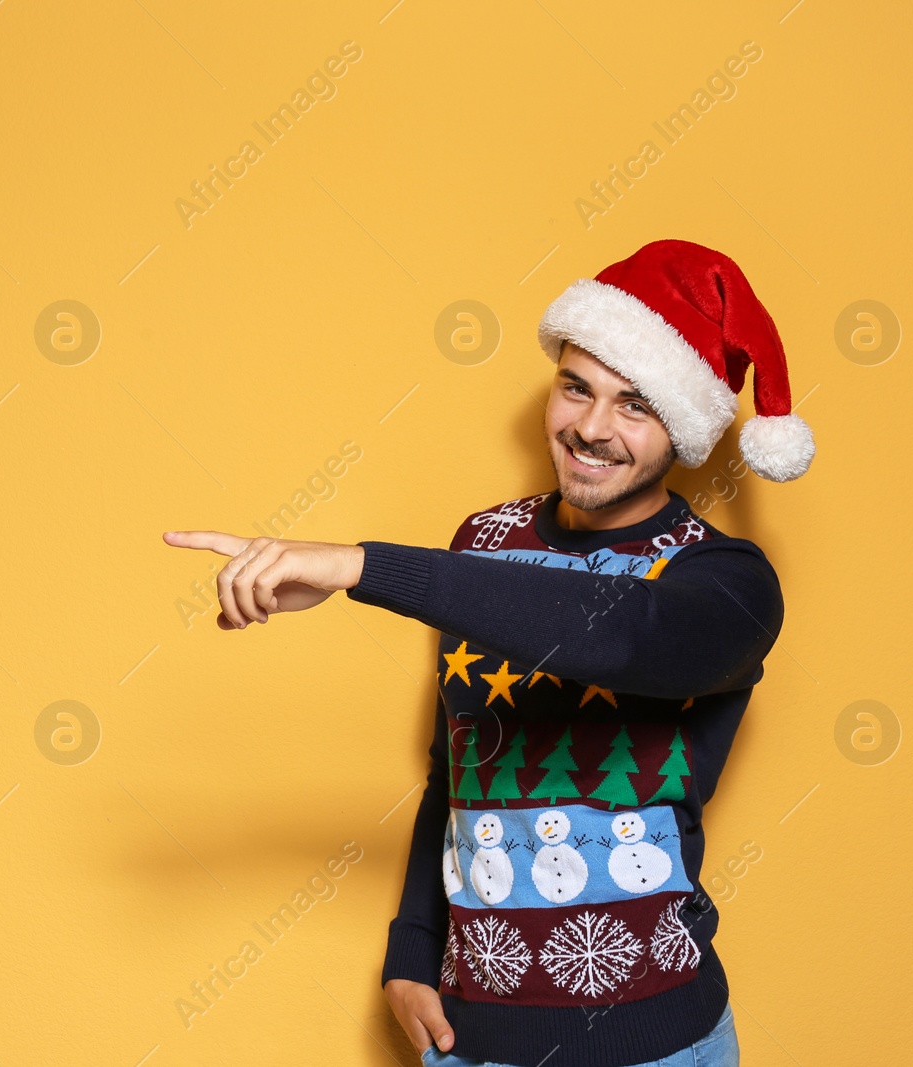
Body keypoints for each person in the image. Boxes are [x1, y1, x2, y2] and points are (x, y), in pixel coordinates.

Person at [164, 239, 815, 1067]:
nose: (589, 427)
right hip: (475, 1042)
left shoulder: (723, 581)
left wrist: (358, 566)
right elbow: (456, 764)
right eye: (576, 387)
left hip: (657, 1042)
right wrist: (410, 953)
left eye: (634, 405)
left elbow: (618, 632)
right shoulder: (482, 543)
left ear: (682, 427)